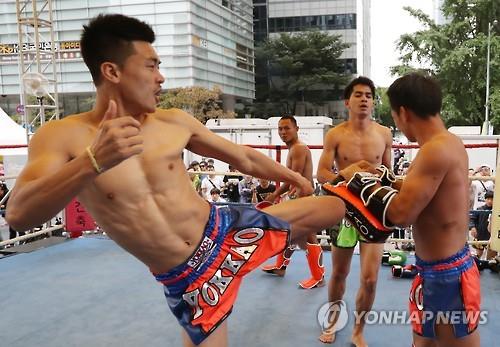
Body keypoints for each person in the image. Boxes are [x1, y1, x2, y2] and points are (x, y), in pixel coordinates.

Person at [5, 14, 346, 347]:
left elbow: (241, 156)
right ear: (112, 71)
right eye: (151, 66)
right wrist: (92, 162)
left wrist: (293, 178)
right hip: (189, 274)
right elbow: (19, 215)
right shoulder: (62, 136)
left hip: (225, 230)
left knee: (335, 206)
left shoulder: (174, 121)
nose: (161, 78)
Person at [340, 73, 480, 346]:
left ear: (403, 113)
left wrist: (358, 182)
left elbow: (401, 214)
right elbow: (426, 191)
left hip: (446, 276)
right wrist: (384, 177)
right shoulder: (447, 142)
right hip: (436, 269)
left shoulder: (434, 151)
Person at [316, 76, 393, 345]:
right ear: (347, 102)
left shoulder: (384, 134)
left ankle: (358, 330)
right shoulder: (335, 134)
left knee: (370, 279)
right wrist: (345, 174)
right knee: (339, 273)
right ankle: (333, 320)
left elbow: (389, 174)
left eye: (369, 95)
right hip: (345, 211)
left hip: (374, 212)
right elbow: (322, 174)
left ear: (373, 101)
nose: (364, 99)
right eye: (358, 94)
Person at [261, 115, 325, 289]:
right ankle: (281, 267)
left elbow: (294, 179)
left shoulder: (298, 149)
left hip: (303, 198)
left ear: (296, 129)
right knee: (290, 233)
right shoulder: (294, 149)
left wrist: (274, 195)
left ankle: (319, 277)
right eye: (280, 129)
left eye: (287, 128)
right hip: (299, 198)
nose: (283, 132)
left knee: (309, 236)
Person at [470, 190, 495, 260]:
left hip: (491, 237)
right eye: (488, 199)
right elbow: (472, 219)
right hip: (480, 235)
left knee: (491, 258)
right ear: (485, 199)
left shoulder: (496, 210)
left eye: (492, 199)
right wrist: (472, 227)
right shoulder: (479, 209)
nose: (490, 201)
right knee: (478, 255)